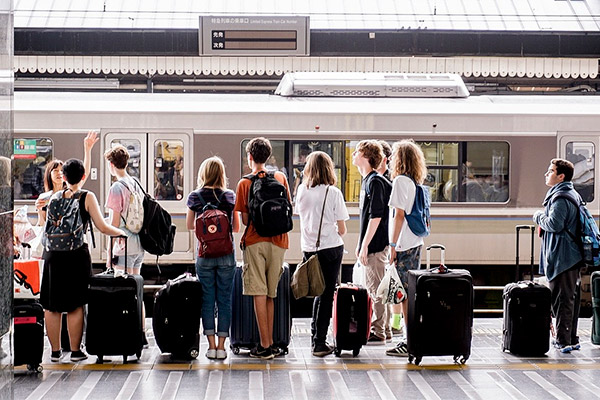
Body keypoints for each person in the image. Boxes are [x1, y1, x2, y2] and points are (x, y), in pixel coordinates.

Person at [40, 158, 125, 363]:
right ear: (83, 176)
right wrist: (120, 232)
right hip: (75, 254)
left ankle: (54, 352)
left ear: (64, 177)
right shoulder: (87, 196)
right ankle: (76, 351)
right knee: (75, 304)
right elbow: (103, 227)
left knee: (52, 305)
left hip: (52, 254)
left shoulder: (54, 198)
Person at [234, 137, 291, 359]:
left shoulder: (244, 183)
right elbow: (287, 207)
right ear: (268, 156)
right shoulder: (280, 178)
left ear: (250, 157)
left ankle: (264, 345)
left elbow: (247, 219)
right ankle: (271, 344)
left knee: (258, 291)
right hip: (279, 242)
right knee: (270, 293)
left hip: (255, 242)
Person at [295, 151, 349, 357]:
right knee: (327, 295)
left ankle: (314, 337)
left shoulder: (302, 190)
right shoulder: (333, 193)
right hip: (330, 248)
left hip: (308, 248)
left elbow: (302, 216)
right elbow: (342, 229)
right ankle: (319, 343)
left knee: (317, 290)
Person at [186, 156, 239, 360]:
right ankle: (222, 346)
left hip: (204, 254)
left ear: (203, 174)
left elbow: (190, 225)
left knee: (207, 301)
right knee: (224, 300)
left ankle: (210, 347)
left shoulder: (194, 197)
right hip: (226, 255)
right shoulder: (228, 196)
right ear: (221, 174)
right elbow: (235, 227)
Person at [533, 158, 583, 353]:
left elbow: (554, 224)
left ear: (561, 176)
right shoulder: (569, 193)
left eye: (551, 171)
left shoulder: (561, 197)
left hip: (564, 256)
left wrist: (537, 215)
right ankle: (571, 337)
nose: (547, 174)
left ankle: (564, 341)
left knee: (562, 300)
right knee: (568, 298)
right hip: (568, 255)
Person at [386, 139, 428, 357]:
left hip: (404, 244)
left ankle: (408, 340)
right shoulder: (413, 182)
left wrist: (392, 245)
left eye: (394, 155)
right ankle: (409, 337)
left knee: (403, 294)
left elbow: (398, 215)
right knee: (406, 292)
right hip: (413, 242)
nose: (392, 159)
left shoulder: (401, 181)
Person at [352, 140, 392, 344]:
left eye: (357, 152)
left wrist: (365, 245)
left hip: (376, 245)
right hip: (372, 243)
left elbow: (375, 216)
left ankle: (378, 331)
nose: (353, 155)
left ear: (366, 157)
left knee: (375, 288)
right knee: (376, 286)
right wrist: (361, 243)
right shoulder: (371, 180)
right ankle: (384, 328)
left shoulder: (374, 182)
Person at [35, 131, 98, 226]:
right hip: (52, 239)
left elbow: (85, 172)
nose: (59, 173)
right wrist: (40, 211)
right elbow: (42, 225)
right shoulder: (44, 198)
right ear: (49, 174)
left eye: (61, 171)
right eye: (55, 170)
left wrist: (87, 150)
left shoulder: (73, 191)